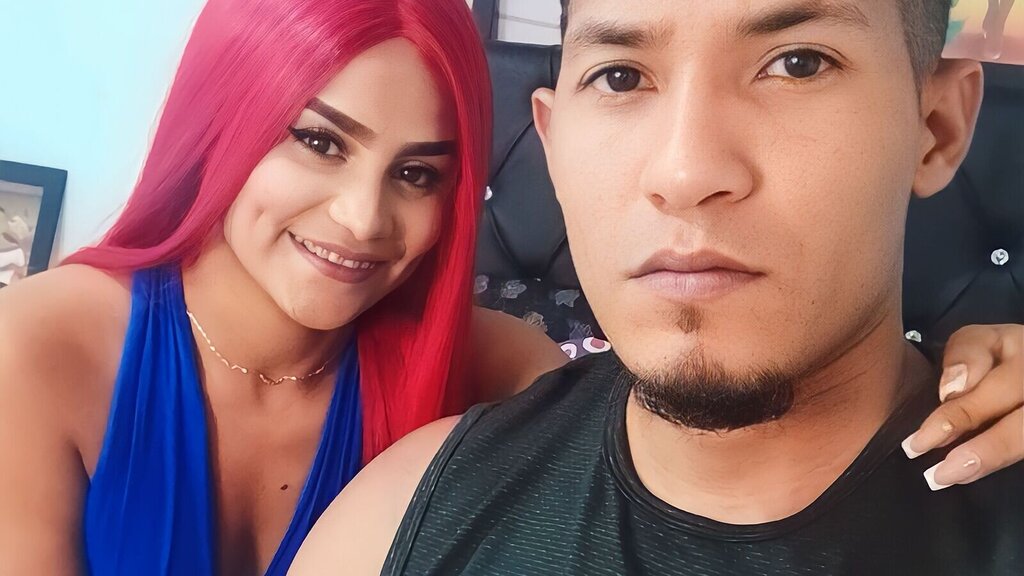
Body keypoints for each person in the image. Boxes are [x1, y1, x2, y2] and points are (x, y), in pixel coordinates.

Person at [292, 1, 1024, 574]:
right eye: (619, 77)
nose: (684, 172)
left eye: (798, 64)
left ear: (936, 127)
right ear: (552, 142)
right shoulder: (399, 518)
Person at [0, 0, 569, 574]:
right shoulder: (34, 348)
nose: (363, 219)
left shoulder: (501, 370)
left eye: (415, 174)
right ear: (217, 120)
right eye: (321, 143)